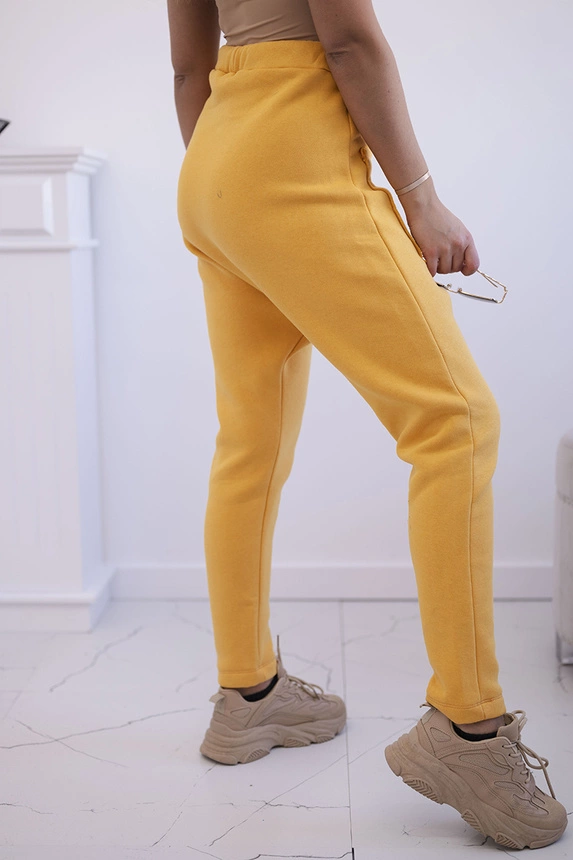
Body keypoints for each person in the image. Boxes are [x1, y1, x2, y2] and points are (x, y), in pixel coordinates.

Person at [166, 0, 567, 849]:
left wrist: (230, 189)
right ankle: (467, 729)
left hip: (213, 162)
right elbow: (347, 41)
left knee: (248, 445)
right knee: (456, 422)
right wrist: (422, 201)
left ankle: (247, 694)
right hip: (291, 152)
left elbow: (188, 67)